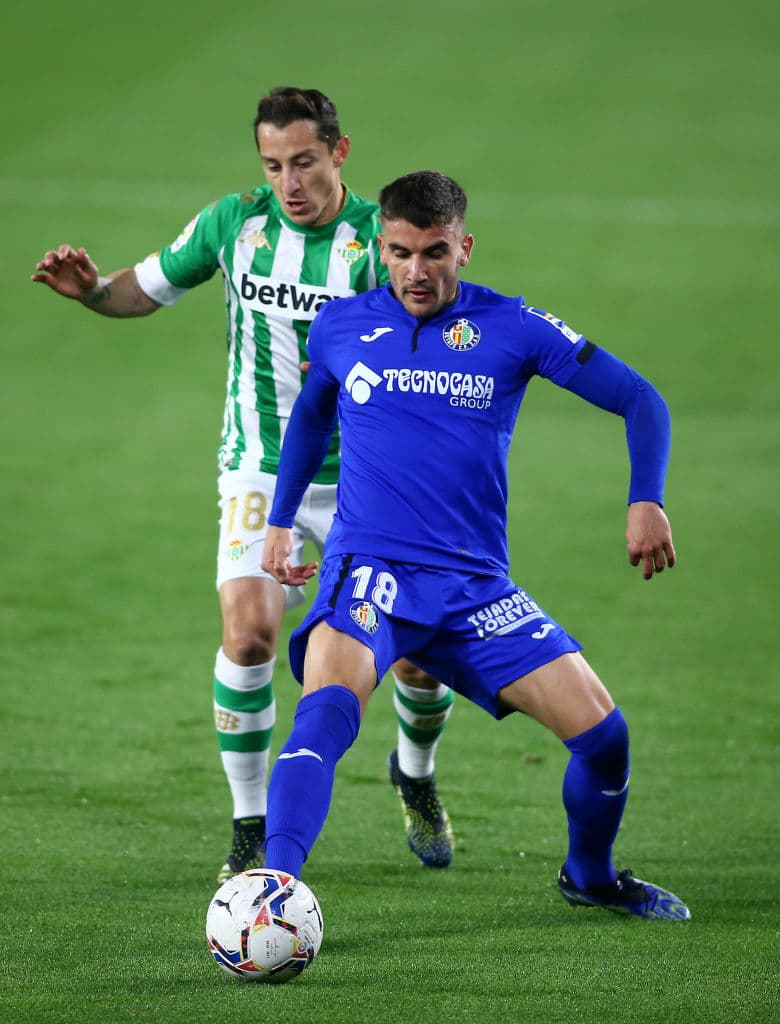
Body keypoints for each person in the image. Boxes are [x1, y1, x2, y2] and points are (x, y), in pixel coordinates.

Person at [30, 90, 456, 881]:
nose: (289, 181)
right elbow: (144, 288)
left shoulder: (377, 244)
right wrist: (91, 291)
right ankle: (250, 824)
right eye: (273, 164)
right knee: (249, 632)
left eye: (304, 161)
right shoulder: (236, 225)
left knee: (417, 661)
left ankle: (415, 773)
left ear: (339, 152)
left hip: (370, 478)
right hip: (261, 464)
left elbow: (433, 349)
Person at [260, 169, 691, 920]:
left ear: (464, 245)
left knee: (605, 737)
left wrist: (646, 498)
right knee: (325, 715)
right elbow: (310, 417)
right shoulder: (340, 327)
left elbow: (639, 399)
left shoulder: (514, 327)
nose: (415, 272)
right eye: (399, 253)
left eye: (434, 253)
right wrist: (279, 517)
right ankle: (272, 887)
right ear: (379, 247)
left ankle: (588, 876)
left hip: (473, 585)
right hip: (372, 569)